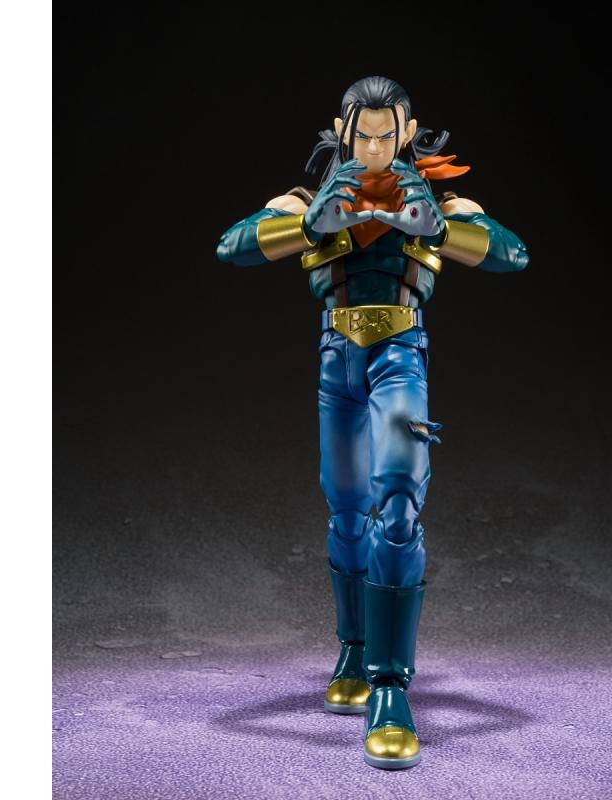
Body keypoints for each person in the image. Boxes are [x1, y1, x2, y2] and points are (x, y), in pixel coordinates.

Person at [216, 75, 528, 770]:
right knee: (348, 511)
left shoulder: (440, 201)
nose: (377, 148)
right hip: (338, 358)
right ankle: (354, 652)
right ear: (343, 130)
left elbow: (513, 253)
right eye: (364, 135)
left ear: (408, 133)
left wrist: (436, 228)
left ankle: (391, 687)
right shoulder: (306, 200)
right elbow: (230, 246)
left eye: (389, 136)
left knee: (399, 507)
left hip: (400, 356)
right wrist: (309, 224)